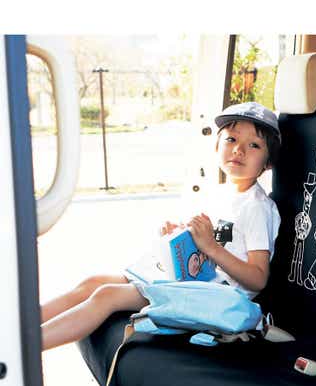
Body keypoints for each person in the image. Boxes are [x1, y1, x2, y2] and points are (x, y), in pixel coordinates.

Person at [41, 102, 282, 351]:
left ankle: (24, 347)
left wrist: (210, 247)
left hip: (216, 298)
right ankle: (22, 324)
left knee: (107, 295)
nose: (239, 149)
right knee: (93, 283)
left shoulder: (256, 207)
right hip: (194, 281)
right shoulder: (219, 194)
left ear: (268, 163)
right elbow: (208, 246)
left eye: (254, 145)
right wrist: (181, 235)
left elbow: (258, 278)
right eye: (231, 139)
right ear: (217, 146)